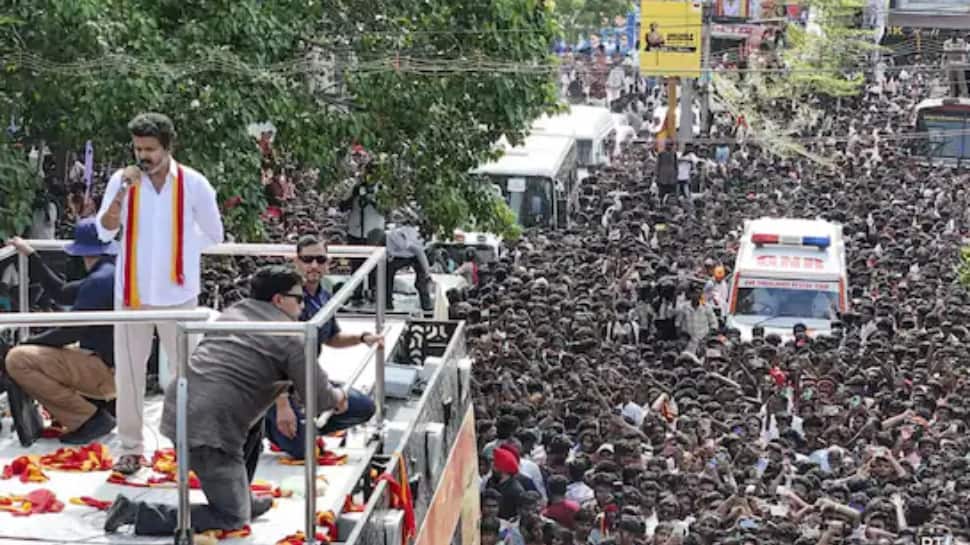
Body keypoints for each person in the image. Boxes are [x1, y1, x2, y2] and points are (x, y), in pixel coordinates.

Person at [103, 265, 353, 536]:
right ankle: (136, 512)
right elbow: (319, 397)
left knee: (256, 416)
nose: (304, 306)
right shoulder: (291, 337)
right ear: (278, 300)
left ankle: (240, 494)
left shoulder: (232, 314)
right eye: (299, 298)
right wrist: (339, 397)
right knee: (232, 517)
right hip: (211, 430)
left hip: (181, 407)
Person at [95, 112, 224, 474]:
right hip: (131, 294)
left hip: (178, 293)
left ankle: (192, 445)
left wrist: (179, 252)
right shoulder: (122, 181)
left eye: (150, 149)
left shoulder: (195, 184)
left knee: (188, 374)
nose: (143, 156)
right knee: (129, 374)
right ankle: (132, 448)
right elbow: (105, 231)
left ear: (168, 147)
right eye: (138, 148)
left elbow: (215, 234)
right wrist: (121, 194)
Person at [263, 234, 380, 459]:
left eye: (320, 259)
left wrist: (363, 338)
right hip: (277, 388)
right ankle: (266, 426)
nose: (314, 266)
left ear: (328, 263)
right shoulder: (284, 299)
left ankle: (304, 427)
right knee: (302, 451)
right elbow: (273, 355)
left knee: (364, 407)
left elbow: (331, 337)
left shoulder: (324, 297)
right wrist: (282, 404)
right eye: (307, 260)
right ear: (296, 262)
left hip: (308, 381)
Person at [2, 219, 118, 446]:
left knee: (18, 359)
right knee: (36, 350)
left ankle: (89, 419)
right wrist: (31, 255)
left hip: (105, 371)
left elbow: (69, 332)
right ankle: (98, 407)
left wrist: (26, 343)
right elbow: (62, 293)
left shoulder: (99, 281)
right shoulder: (110, 271)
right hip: (114, 366)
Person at [367, 222, 433, 311]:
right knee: (386, 277)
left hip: (412, 255)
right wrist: (373, 286)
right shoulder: (387, 241)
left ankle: (426, 304)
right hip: (397, 256)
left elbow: (421, 255)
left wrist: (427, 274)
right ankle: (387, 304)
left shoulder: (404, 239)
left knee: (422, 280)